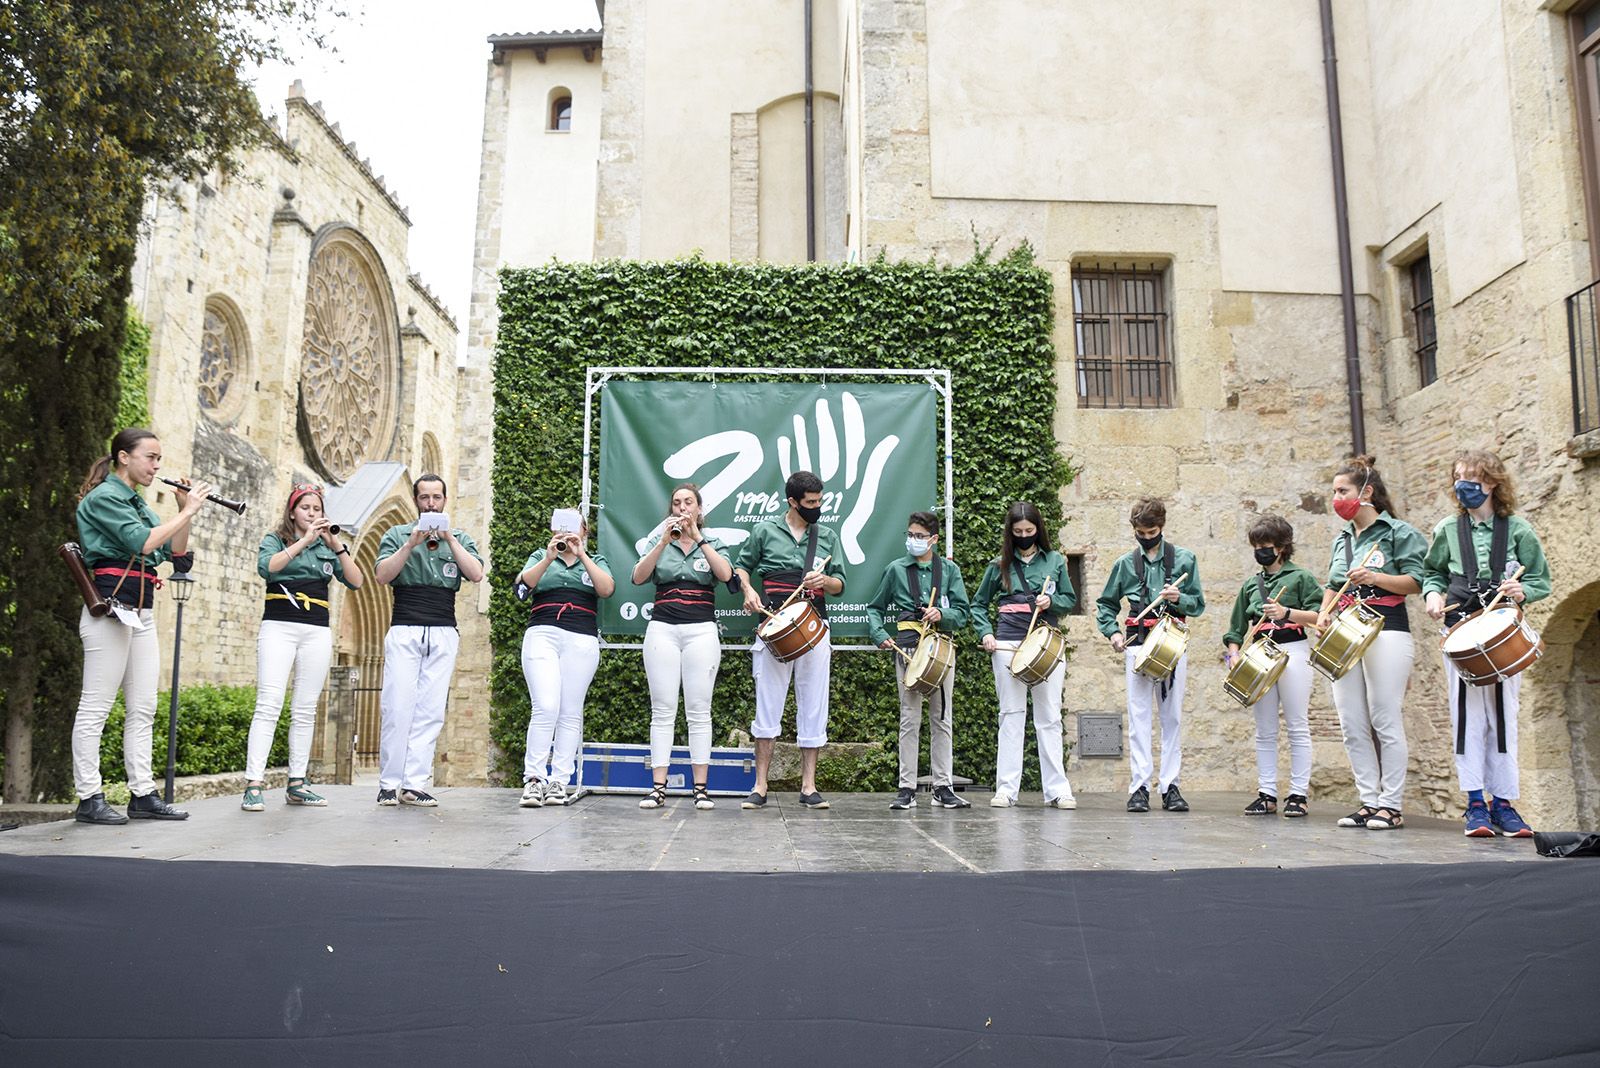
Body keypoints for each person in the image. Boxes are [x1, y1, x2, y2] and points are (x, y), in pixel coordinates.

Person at [71, 428, 209, 824]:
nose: (157, 465)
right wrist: (185, 511)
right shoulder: (105, 498)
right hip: (110, 610)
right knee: (96, 706)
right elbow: (142, 543)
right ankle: (89, 797)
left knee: (144, 707)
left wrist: (184, 510)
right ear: (123, 457)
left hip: (141, 612)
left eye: (159, 458)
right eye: (150, 457)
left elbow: (175, 555)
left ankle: (142, 793)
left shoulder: (139, 503)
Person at [1422, 449, 1551, 839]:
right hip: (1460, 623)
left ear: (1492, 483)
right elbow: (1432, 572)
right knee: (1466, 717)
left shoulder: (1518, 530)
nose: (1462, 485)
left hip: (1500, 627)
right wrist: (1432, 596)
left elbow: (1541, 580)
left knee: (1503, 715)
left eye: (1471, 477)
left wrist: (1521, 589)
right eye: (1458, 476)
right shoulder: (1447, 528)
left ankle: (1504, 804)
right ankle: (1475, 803)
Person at [1316, 455, 1426, 832]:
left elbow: (1417, 581)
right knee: (1351, 721)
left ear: (1367, 493)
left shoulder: (1399, 533)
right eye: (1334, 491)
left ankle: (1391, 804)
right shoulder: (1342, 539)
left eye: (1342, 491)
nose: (1336, 498)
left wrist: (1376, 578)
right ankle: (1368, 800)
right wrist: (1323, 614)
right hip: (1344, 631)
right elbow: (1332, 585)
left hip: (1387, 627)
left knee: (1384, 716)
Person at [241, 483, 364, 812]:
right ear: (293, 511)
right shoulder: (276, 540)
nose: (312, 514)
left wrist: (336, 545)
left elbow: (356, 581)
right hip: (279, 627)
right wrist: (304, 542)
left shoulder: (327, 548)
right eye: (306, 508)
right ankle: (254, 782)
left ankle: (298, 782)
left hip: (316, 631)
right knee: (269, 703)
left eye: (317, 509)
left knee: (306, 708)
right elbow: (268, 568)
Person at [734, 470, 847, 810]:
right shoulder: (764, 531)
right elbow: (741, 567)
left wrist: (825, 580)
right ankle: (760, 785)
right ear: (793, 501)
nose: (817, 507)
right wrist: (749, 590)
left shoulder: (826, 536)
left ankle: (809, 786)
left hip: (814, 625)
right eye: (810, 502)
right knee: (767, 704)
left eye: (819, 501)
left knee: (814, 703)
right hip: (772, 624)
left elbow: (841, 585)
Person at [373, 473, 484, 807]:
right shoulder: (397, 535)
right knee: (397, 706)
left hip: (443, 627)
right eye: (425, 498)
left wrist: (450, 539)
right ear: (416, 501)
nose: (431, 503)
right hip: (406, 625)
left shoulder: (460, 537)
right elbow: (381, 575)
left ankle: (414, 783)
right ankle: (388, 782)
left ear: (445, 501)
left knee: (431, 710)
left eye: (437, 498)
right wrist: (411, 543)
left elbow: (476, 573)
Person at [1095, 497, 1205, 813]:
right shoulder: (1125, 564)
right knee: (1139, 716)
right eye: (1140, 533)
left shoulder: (1185, 559)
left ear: (1162, 526)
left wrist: (1179, 597)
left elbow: (1198, 605)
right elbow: (1106, 605)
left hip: (1172, 641)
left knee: (1171, 716)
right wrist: (1113, 633)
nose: (1146, 537)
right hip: (1138, 640)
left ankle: (1171, 787)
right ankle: (1139, 787)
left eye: (1151, 531)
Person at [631, 484, 731, 810]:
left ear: (699, 509)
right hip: (663, 629)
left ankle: (700, 788)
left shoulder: (712, 541)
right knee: (662, 710)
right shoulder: (659, 538)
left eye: (689, 502)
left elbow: (726, 574)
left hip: (701, 630)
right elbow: (637, 577)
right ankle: (657, 788)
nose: (682, 508)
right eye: (677, 503)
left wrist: (698, 538)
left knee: (699, 710)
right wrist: (663, 541)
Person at [971, 502, 1077, 809]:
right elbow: (979, 604)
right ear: (1010, 533)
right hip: (1007, 643)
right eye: (1018, 532)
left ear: (1038, 530)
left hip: (1046, 642)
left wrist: (1051, 600)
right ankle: (1006, 789)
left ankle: (1058, 790)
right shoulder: (998, 565)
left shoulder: (1055, 560)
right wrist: (985, 633)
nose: (1024, 536)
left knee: (1050, 716)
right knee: (1011, 715)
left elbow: (1069, 600)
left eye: (1029, 531)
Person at [866, 510, 971, 810]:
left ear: (934, 539)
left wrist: (943, 614)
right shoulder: (896, 569)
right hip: (909, 647)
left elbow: (963, 613)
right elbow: (875, 607)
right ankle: (906, 787)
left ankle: (943, 786)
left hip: (940, 649)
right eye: (910, 535)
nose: (913, 540)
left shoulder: (949, 571)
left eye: (920, 536)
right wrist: (878, 634)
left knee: (942, 718)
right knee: (909, 719)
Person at [1221, 515, 1322, 818]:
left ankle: (1298, 795)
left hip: (1293, 647)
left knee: (1297, 725)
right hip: (1260, 651)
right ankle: (1266, 793)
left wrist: (1287, 612)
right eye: (1256, 546)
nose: (1261, 551)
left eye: (1266, 545)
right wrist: (1233, 655)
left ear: (1281, 547)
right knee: (1264, 729)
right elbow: (1235, 628)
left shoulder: (1301, 578)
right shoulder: (1251, 584)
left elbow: (1321, 616)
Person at [518, 511, 614, 807]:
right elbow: (522, 588)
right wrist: (549, 557)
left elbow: (607, 589)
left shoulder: (595, 560)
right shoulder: (539, 554)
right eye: (561, 526)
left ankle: (560, 781)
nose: (567, 532)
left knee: (570, 711)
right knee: (545, 706)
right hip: (542, 632)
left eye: (574, 527)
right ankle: (534, 779)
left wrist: (581, 554)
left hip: (581, 637)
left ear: (585, 531)